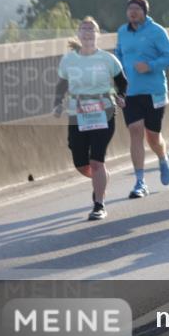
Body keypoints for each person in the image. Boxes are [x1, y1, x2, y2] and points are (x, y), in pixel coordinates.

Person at [53, 17, 127, 220]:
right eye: (83, 28)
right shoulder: (68, 60)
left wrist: (121, 97)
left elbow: (122, 81)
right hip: (78, 115)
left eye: (91, 29)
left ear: (97, 34)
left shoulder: (108, 59)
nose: (87, 32)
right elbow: (61, 84)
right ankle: (101, 179)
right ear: (78, 34)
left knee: (96, 160)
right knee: (80, 162)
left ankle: (99, 203)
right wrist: (57, 103)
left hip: (105, 112)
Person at [114, 0, 169, 198]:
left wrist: (149, 66)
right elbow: (119, 57)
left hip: (154, 91)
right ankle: (140, 181)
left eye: (137, 9)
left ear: (145, 11)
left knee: (153, 136)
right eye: (129, 9)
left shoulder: (156, 31)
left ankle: (162, 158)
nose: (132, 12)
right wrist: (118, 85)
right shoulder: (122, 32)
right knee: (135, 130)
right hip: (131, 92)